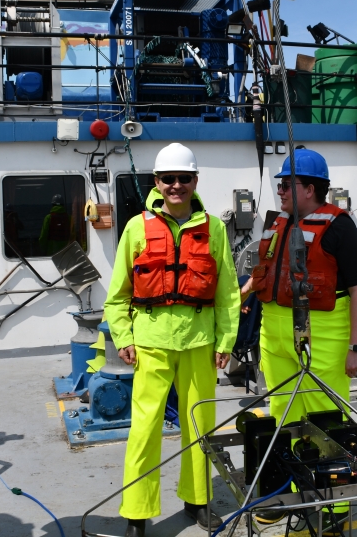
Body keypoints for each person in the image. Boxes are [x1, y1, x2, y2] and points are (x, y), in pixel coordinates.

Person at [104, 143, 239, 537]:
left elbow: (228, 293)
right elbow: (118, 294)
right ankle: (136, 512)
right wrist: (123, 336)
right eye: (168, 179)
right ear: (157, 183)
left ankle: (197, 500)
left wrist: (225, 341)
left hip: (199, 341)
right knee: (144, 430)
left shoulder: (213, 228)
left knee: (201, 427)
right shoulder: (135, 227)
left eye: (184, 178)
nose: (176, 185)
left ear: (195, 181)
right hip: (151, 342)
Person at [240, 149, 357, 530]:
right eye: (279, 184)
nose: (279, 190)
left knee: (327, 423)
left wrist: (356, 348)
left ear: (310, 188)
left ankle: (334, 511)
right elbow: (263, 272)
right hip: (274, 333)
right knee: (283, 416)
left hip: (324, 336)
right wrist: (238, 299)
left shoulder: (341, 228)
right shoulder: (276, 223)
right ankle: (291, 495)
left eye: (286, 184)